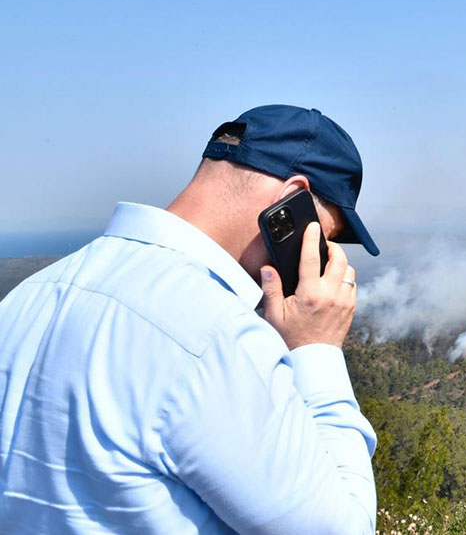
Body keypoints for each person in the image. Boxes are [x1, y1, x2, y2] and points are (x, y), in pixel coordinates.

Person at [0, 105, 381, 533]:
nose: (322, 260)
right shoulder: (215, 337)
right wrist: (316, 349)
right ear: (288, 202)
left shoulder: (29, 296)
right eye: (323, 238)